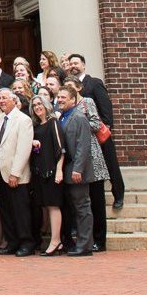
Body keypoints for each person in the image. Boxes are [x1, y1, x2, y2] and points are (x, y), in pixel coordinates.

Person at [66, 53, 123, 210]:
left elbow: (105, 106)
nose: (73, 66)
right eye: (71, 64)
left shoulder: (94, 83)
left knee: (110, 165)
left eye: (76, 63)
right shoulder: (69, 87)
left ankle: (118, 195)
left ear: (83, 65)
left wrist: (106, 127)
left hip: (99, 133)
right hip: (85, 137)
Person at [0, 89, 35, 256]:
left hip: (16, 175)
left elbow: (23, 149)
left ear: (13, 100)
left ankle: (26, 242)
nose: (1, 101)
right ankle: (12, 241)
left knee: (20, 211)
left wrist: (15, 173)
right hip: (0, 172)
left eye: (4, 98)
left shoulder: (23, 120)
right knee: (6, 211)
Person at [56, 85, 95, 256]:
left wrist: (78, 169)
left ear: (73, 100)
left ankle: (85, 245)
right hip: (66, 169)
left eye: (64, 97)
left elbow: (83, 146)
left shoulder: (79, 117)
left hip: (77, 171)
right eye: (59, 97)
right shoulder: (62, 117)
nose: (60, 100)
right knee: (74, 209)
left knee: (82, 208)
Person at [29, 95, 65, 256]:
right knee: (45, 205)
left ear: (46, 105)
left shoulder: (53, 122)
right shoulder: (35, 126)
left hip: (52, 170)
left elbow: (60, 148)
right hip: (39, 171)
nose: (37, 107)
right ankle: (53, 240)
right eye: (34, 105)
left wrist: (59, 170)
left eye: (39, 104)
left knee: (53, 205)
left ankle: (56, 240)